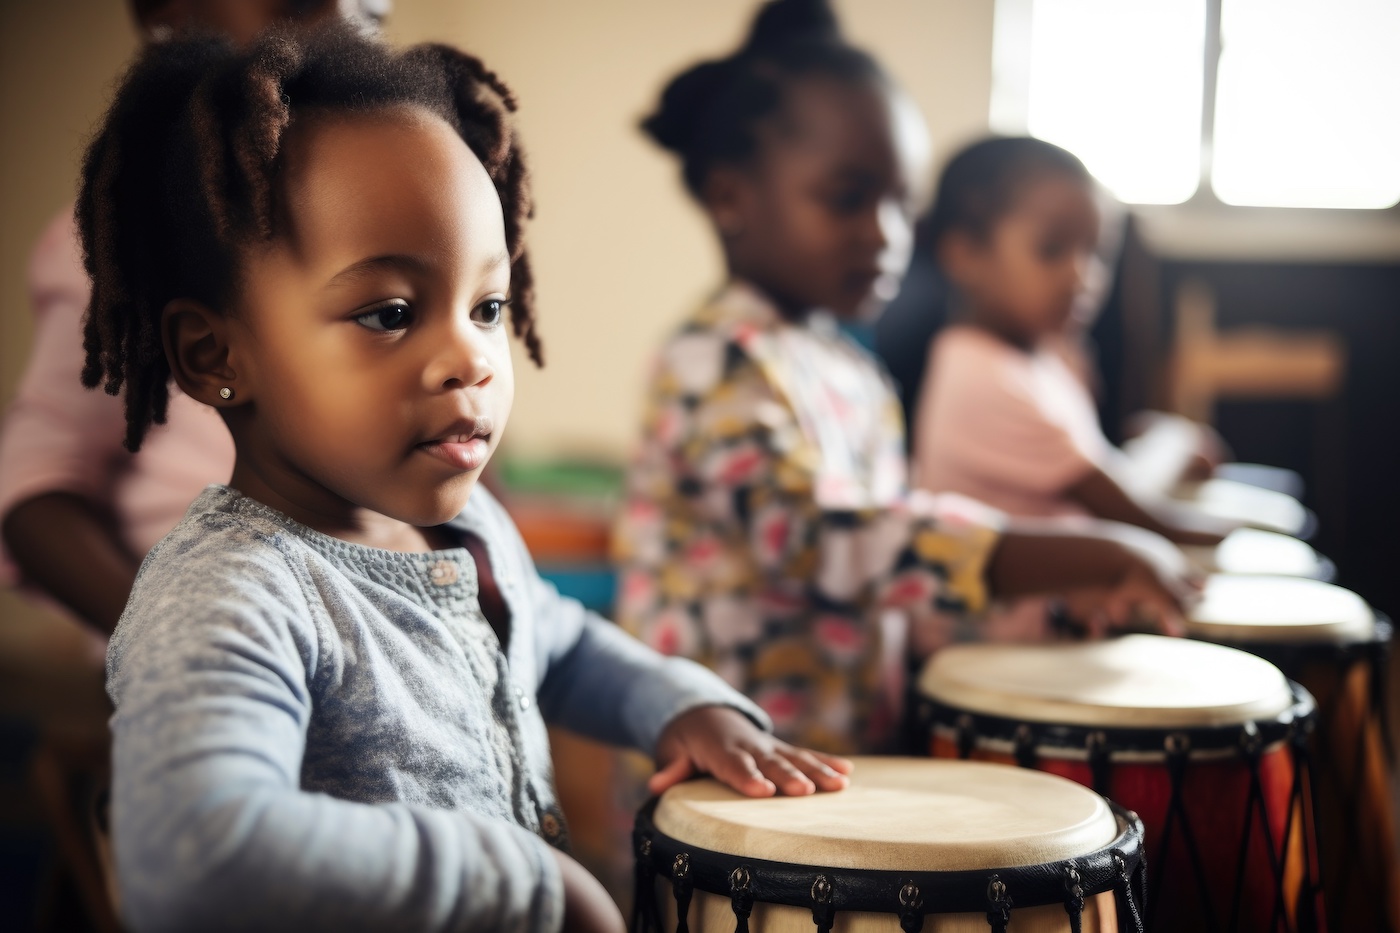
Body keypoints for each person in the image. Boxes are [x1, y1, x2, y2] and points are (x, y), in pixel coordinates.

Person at [82, 23, 851, 932]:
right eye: (391, 312)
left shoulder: (468, 526)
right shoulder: (233, 592)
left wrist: (677, 703)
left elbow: (551, 640)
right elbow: (194, 859)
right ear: (216, 354)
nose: (471, 357)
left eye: (487, 306)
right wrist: (532, 881)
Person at [613, 0, 1196, 758]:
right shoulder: (715, 362)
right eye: (849, 197)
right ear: (731, 198)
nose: (885, 234)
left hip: (844, 760)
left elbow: (889, 584)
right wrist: (1085, 549)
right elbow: (827, 543)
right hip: (723, 792)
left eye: (901, 204)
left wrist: (1048, 600)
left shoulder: (850, 366)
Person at [0, 0, 392, 638]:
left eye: (371, 16)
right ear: (170, 14)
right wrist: (178, 640)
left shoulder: (369, 220)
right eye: (299, 4)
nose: (347, 33)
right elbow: (35, 493)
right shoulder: (128, 242)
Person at [912, 136, 1237, 546]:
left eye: (1096, 252)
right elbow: (1138, 514)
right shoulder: (981, 377)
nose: (1082, 277)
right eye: (1052, 249)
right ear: (965, 254)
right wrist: (1171, 444)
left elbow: (1107, 478)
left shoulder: (1045, 359)